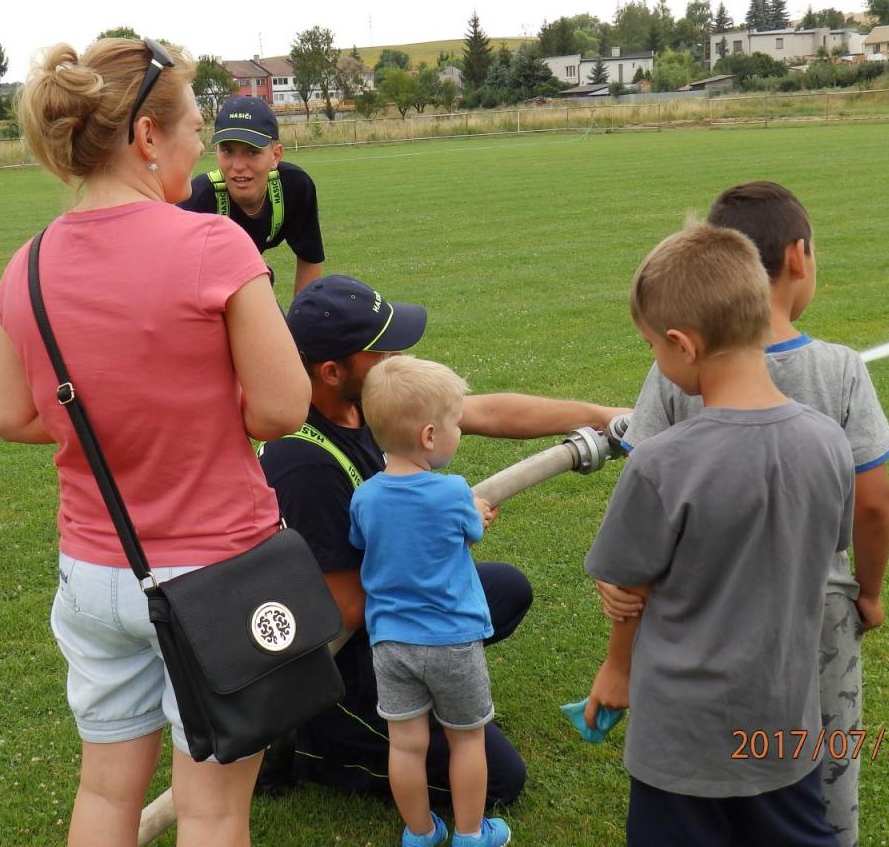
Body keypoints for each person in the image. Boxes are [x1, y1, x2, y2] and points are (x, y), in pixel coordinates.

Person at [0, 36, 308, 847]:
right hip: (215, 569)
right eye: (195, 127)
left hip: (94, 573)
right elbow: (282, 408)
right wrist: (186, 412)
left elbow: (14, 416)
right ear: (146, 136)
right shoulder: (213, 243)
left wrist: (124, 411)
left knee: (104, 794)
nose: (202, 147)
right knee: (212, 811)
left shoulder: (26, 264)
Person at [257, 272, 624, 805]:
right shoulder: (304, 464)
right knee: (498, 781)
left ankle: (421, 688)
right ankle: (314, 741)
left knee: (505, 590)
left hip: (390, 614)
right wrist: (433, 535)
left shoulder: (372, 401)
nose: (396, 358)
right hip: (336, 656)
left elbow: (484, 410)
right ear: (332, 371)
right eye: (382, 351)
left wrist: (603, 417)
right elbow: (346, 609)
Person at [608, 182, 889, 847]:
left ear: (677, 343)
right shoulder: (840, 378)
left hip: (693, 616)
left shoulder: (671, 389)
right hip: (814, 605)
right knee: (816, 749)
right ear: (798, 256)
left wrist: (619, 655)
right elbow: (873, 505)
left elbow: (638, 540)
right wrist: (870, 592)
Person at [351, 355, 512, 847]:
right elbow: (471, 529)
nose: (458, 433)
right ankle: (471, 834)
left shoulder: (365, 497)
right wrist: (476, 511)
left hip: (390, 644)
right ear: (428, 436)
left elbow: (362, 540)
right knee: (466, 740)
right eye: (455, 425)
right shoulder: (454, 492)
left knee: (406, 745)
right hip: (453, 643)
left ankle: (420, 832)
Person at [178, 95, 324, 293]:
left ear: (276, 155)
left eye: (252, 152)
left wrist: (300, 313)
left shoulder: (294, 187)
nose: (238, 166)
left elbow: (310, 258)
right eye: (227, 151)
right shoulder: (198, 199)